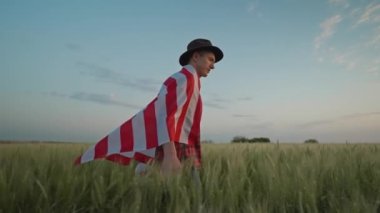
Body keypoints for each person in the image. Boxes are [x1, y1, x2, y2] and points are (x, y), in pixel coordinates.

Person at [75, 38, 223, 179]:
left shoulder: (192, 81)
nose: (213, 66)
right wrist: (170, 154)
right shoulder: (183, 78)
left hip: (182, 143)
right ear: (196, 57)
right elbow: (164, 115)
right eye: (210, 60)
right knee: (174, 189)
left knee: (185, 190)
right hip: (174, 145)